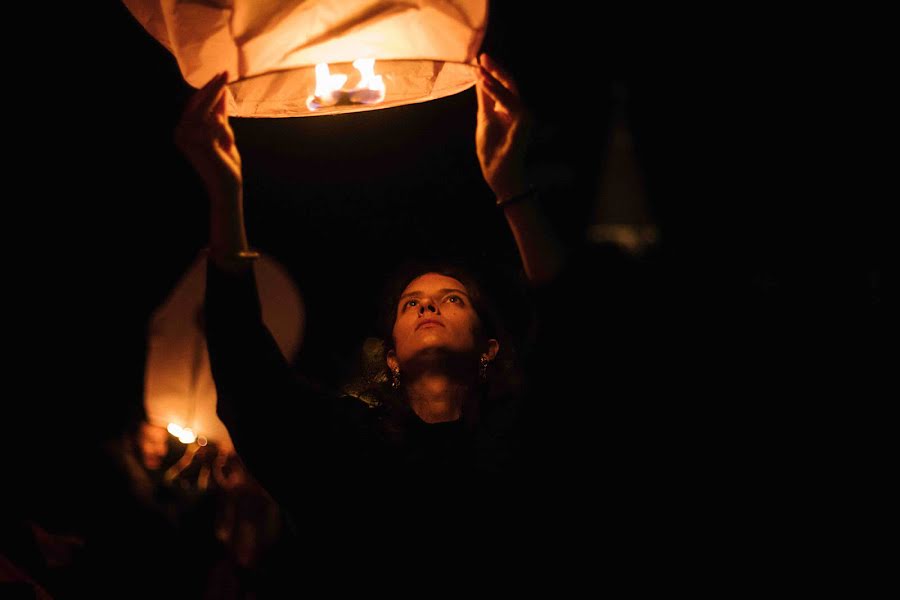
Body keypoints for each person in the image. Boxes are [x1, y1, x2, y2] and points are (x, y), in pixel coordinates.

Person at [175, 55, 564, 534]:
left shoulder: (534, 437)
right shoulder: (346, 447)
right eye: (410, 303)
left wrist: (513, 186)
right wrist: (224, 192)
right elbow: (248, 377)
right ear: (393, 358)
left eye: (452, 299)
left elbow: (571, 324)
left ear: (489, 347)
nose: (427, 305)